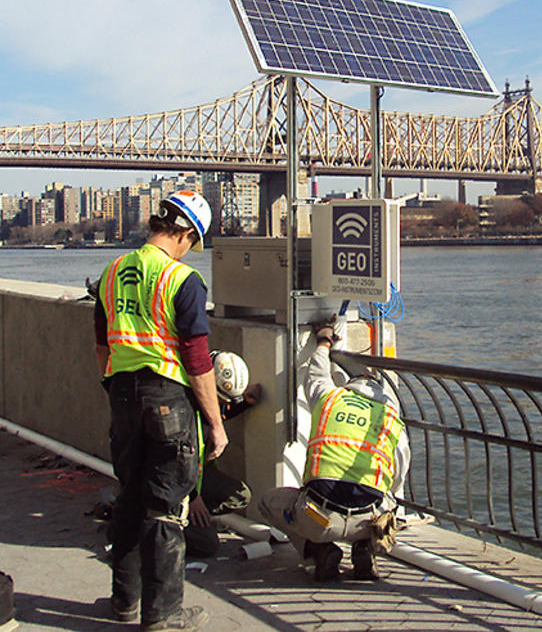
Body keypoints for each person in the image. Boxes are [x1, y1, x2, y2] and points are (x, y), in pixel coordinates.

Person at [94, 190, 224, 632]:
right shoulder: (181, 279)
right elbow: (197, 357)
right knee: (166, 507)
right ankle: (163, 614)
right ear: (186, 234)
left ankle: (124, 603)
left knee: (129, 500)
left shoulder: (111, 272)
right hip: (168, 397)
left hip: (123, 393)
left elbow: (101, 342)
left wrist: (113, 386)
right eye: (193, 241)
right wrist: (215, 423)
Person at [259, 318, 410, 581]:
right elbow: (398, 477)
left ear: (350, 386)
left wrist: (324, 340)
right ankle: (366, 547)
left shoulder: (330, 400)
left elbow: (316, 373)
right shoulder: (388, 417)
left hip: (319, 519)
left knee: (268, 502)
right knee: (387, 501)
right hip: (368, 520)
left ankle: (318, 551)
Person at [184, 351, 261, 558]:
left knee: (240, 495)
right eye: (219, 399)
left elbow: (220, 415)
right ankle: (172, 522)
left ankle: (191, 520)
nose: (220, 405)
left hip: (196, 478)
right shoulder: (183, 411)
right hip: (176, 484)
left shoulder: (206, 405)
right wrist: (192, 498)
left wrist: (244, 403)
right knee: (207, 545)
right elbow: (172, 462)